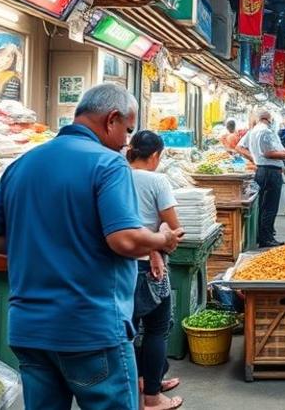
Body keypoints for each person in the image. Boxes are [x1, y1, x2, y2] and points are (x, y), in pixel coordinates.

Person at [0, 84, 184, 410]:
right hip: (90, 327)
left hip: (29, 329)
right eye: (127, 130)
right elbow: (124, 239)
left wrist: (46, 243)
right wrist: (162, 240)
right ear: (111, 119)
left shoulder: (23, 163)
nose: (126, 142)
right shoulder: (109, 164)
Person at [127, 131, 183, 410]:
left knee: (129, 330)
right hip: (150, 268)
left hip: (121, 265)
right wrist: (158, 243)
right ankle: (152, 396)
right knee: (157, 329)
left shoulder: (116, 176)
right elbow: (174, 227)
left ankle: (143, 382)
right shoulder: (156, 181)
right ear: (155, 156)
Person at [238, 109, 285, 247]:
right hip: (270, 172)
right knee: (270, 206)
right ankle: (266, 238)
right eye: (271, 120)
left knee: (262, 205)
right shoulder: (266, 131)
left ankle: (261, 235)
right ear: (267, 119)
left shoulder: (253, 131)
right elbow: (268, 153)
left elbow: (242, 148)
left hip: (261, 170)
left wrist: (254, 158)